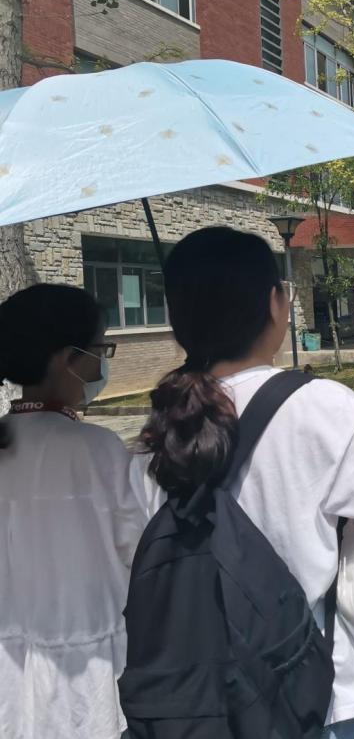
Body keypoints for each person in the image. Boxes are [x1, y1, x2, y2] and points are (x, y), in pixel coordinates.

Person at [135, 227, 354, 739]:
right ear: (275, 304)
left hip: (200, 703)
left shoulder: (159, 430)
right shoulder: (323, 406)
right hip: (315, 694)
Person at [0, 284, 147, 739]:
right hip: (87, 676)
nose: (101, 365)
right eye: (99, 351)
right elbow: (139, 551)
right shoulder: (98, 450)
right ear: (67, 358)